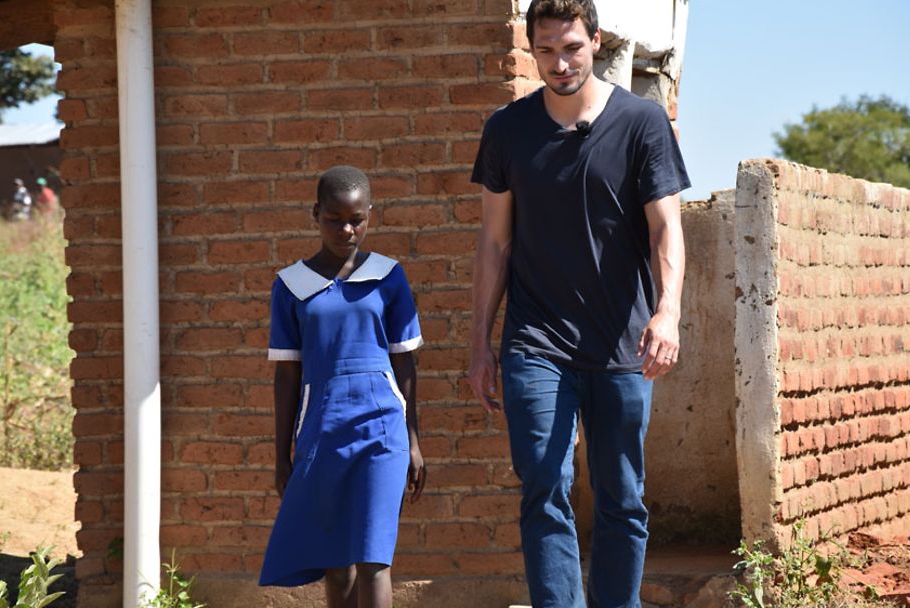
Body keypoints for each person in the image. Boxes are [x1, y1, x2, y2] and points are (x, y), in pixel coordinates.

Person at [468, 1, 691, 606]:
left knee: (621, 497)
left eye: (571, 47)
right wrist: (480, 343)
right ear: (532, 49)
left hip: (622, 342)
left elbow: (665, 229)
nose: (559, 63)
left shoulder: (642, 123)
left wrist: (666, 311)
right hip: (535, 342)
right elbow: (494, 240)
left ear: (595, 41)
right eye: (545, 50)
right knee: (543, 483)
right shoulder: (508, 130)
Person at [259, 165, 427, 608]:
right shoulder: (291, 286)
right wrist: (282, 456)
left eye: (357, 219)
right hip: (323, 431)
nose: (347, 229)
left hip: (383, 431)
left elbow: (405, 362)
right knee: (338, 562)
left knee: (373, 557)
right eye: (335, 219)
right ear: (315, 214)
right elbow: (287, 375)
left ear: (370, 215)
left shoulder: (389, 277)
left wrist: (413, 439)